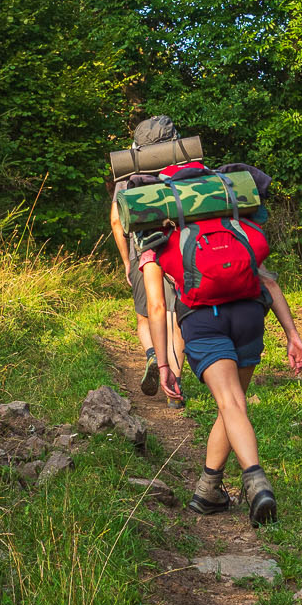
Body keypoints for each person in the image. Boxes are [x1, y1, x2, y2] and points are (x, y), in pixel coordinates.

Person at [140, 200, 302, 526]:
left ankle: (256, 483)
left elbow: (158, 308)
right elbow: (269, 283)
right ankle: (208, 490)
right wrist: (292, 334)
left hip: (204, 323)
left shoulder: (158, 243)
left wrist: (164, 365)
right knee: (233, 404)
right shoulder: (232, 228)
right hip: (248, 316)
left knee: (230, 403)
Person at [110, 115, 185, 401]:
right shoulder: (183, 168)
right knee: (175, 316)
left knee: (147, 313)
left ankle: (154, 354)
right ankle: (175, 384)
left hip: (143, 250)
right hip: (179, 247)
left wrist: (127, 261)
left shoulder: (129, 175)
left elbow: (117, 221)